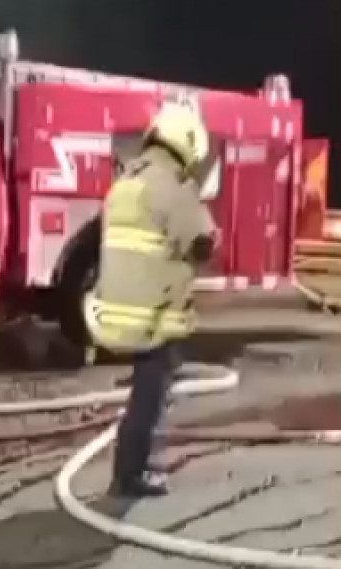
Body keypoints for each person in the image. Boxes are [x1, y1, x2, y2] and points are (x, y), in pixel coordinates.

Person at [83, 98, 217, 498]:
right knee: (150, 397)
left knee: (145, 393)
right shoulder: (173, 188)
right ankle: (129, 476)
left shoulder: (126, 182)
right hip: (153, 319)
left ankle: (131, 465)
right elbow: (203, 243)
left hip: (112, 314)